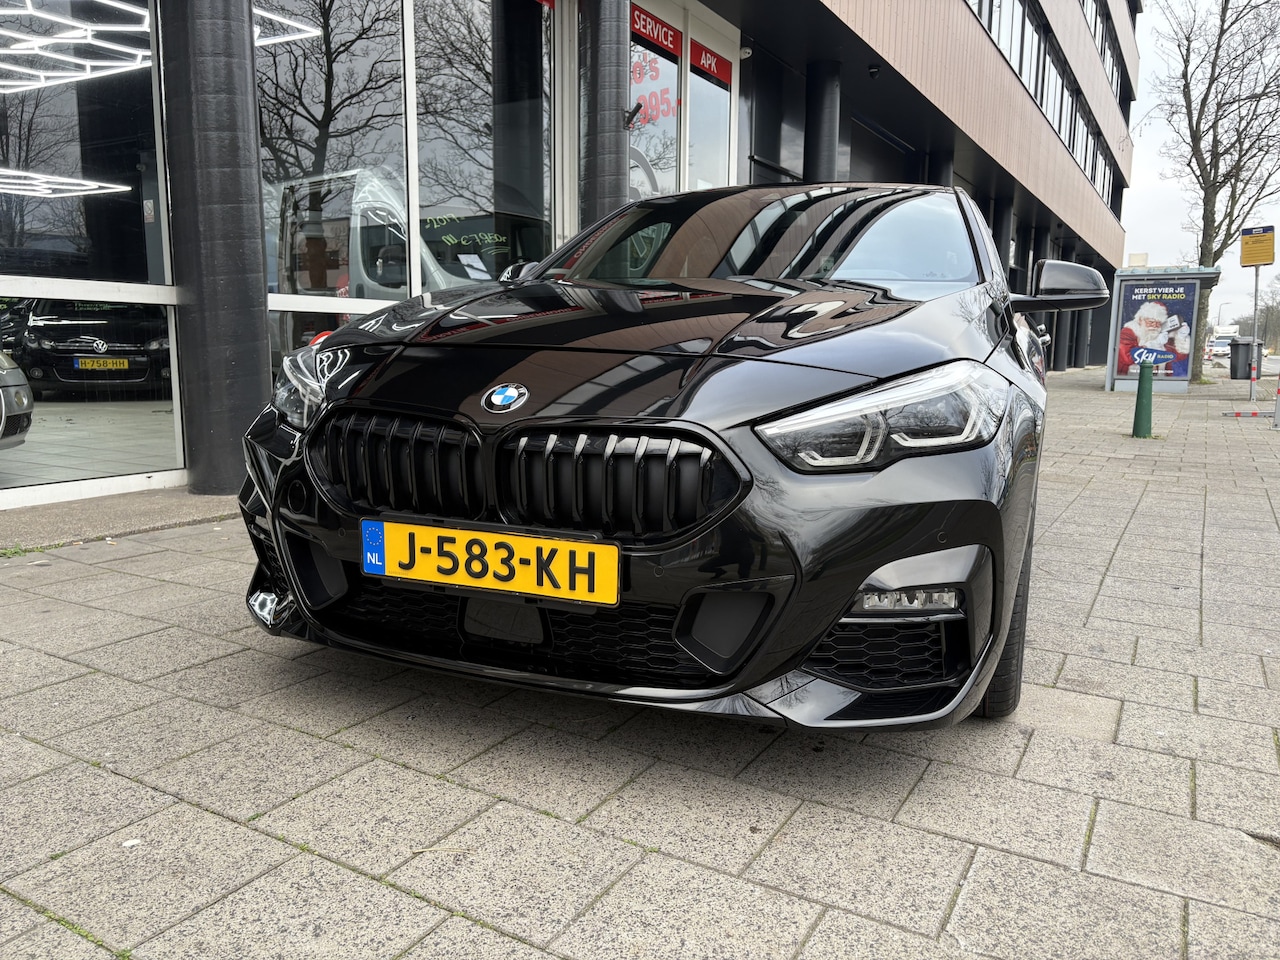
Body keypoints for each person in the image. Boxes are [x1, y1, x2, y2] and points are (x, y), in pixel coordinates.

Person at [1116, 301, 1191, 376]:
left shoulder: (1161, 335)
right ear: (1140, 320)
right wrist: (1153, 344)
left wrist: (1180, 337)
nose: (1155, 326)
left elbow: (1177, 356)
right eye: (1151, 322)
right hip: (1132, 378)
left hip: (1160, 378)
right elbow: (1127, 357)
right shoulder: (1129, 332)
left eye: (1158, 323)